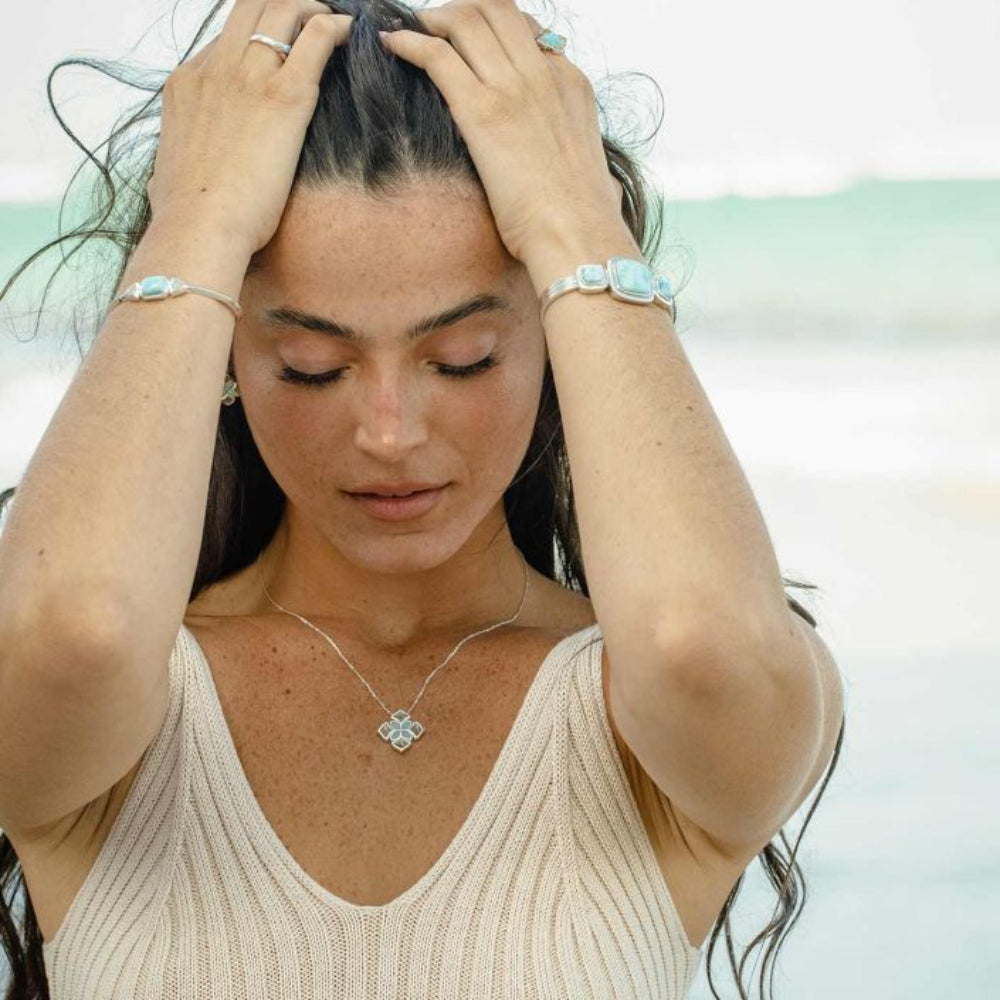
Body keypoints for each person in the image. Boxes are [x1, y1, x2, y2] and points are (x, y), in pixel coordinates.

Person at [0, 0, 845, 997]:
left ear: (556, 341)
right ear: (221, 350)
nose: (390, 432)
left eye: (462, 358)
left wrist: (576, 219)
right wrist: (198, 221)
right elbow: (76, 628)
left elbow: (697, 642)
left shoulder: (651, 718)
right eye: (313, 365)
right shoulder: (111, 712)